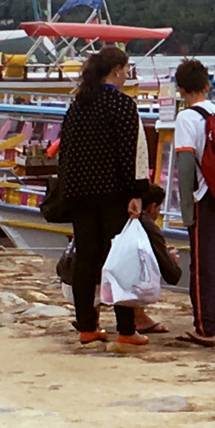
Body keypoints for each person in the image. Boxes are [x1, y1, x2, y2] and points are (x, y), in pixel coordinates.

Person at [48, 46, 148, 346]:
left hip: (80, 191)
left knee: (87, 259)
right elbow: (130, 154)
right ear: (117, 70)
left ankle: (87, 325)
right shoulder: (122, 105)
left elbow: (66, 152)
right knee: (119, 258)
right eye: (126, 69)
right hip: (113, 192)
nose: (127, 74)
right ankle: (126, 329)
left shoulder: (79, 104)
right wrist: (137, 193)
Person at [172, 57, 215, 346]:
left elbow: (186, 165)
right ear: (207, 84)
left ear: (181, 89)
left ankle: (205, 327)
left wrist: (186, 207)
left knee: (203, 264)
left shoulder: (187, 118)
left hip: (203, 196)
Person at [134, 180, 184, 330]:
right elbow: (172, 275)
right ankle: (138, 316)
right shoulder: (147, 225)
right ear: (152, 206)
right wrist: (170, 260)